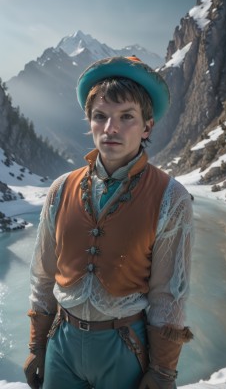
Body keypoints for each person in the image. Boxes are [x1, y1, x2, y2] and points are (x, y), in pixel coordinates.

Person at [24, 56, 194, 389]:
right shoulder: (60, 189)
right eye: (100, 116)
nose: (110, 129)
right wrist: (36, 345)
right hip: (62, 345)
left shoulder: (171, 197)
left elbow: (168, 294)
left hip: (124, 348)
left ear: (147, 126)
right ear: (89, 121)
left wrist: (162, 370)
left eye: (126, 117)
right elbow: (43, 276)